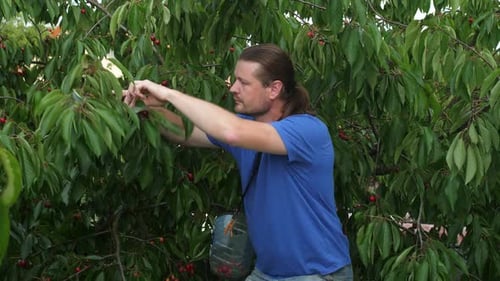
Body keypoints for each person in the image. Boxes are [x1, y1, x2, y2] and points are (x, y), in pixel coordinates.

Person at [123, 43, 352, 280]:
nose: (233, 88)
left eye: (243, 83)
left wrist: (168, 94)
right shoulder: (248, 128)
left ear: (274, 89)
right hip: (267, 273)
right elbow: (184, 132)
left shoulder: (307, 130)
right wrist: (146, 108)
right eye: (235, 80)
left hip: (319, 273)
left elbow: (231, 131)